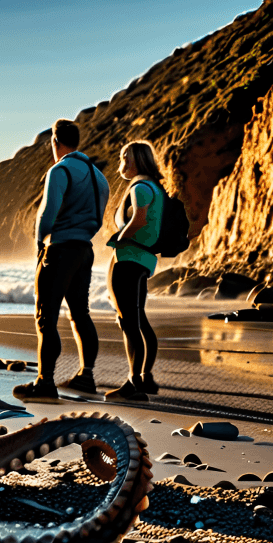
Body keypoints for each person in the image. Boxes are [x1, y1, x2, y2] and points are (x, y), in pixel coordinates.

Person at [13, 119, 109, 403]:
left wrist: (39, 245)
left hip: (60, 248)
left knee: (46, 316)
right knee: (80, 313)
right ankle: (86, 376)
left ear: (55, 142)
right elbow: (99, 215)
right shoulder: (98, 176)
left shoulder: (60, 170)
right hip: (84, 250)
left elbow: (47, 213)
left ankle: (45, 383)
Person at [104, 140, 163, 401]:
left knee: (128, 322)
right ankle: (145, 377)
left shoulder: (140, 187)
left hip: (129, 257)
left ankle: (133, 384)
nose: (122, 162)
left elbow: (139, 218)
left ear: (137, 160)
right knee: (140, 321)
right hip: (146, 259)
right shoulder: (156, 187)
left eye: (125, 157)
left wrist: (119, 240)